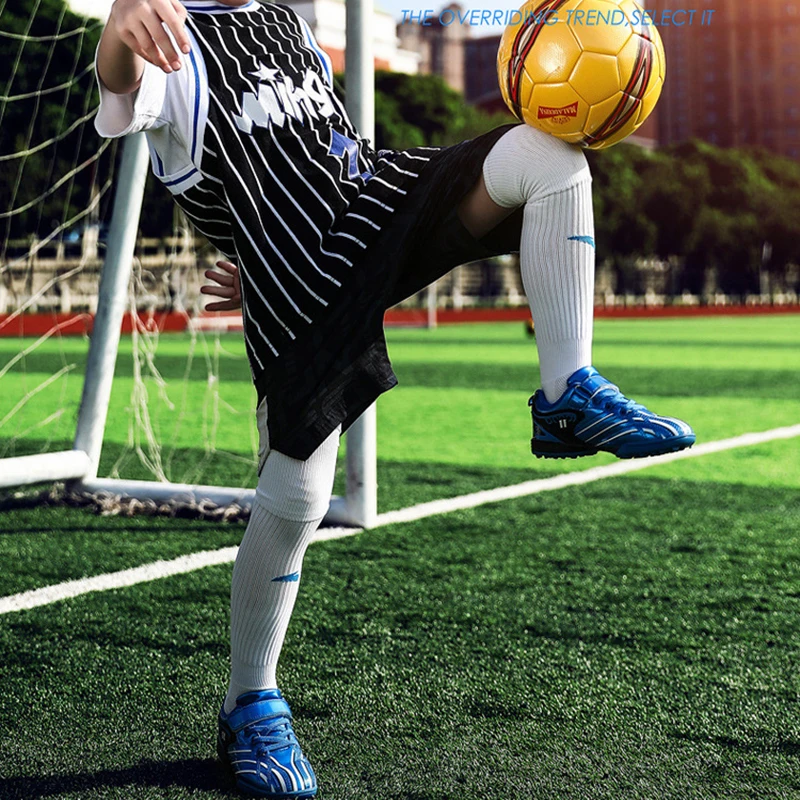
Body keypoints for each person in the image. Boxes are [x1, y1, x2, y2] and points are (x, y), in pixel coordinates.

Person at [95, 1, 695, 796]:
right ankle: (250, 702)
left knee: (550, 157)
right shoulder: (163, 32)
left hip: (374, 199)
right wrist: (116, 31)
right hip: (298, 271)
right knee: (299, 499)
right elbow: (121, 89)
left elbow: (308, 149)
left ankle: (567, 392)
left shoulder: (281, 16)